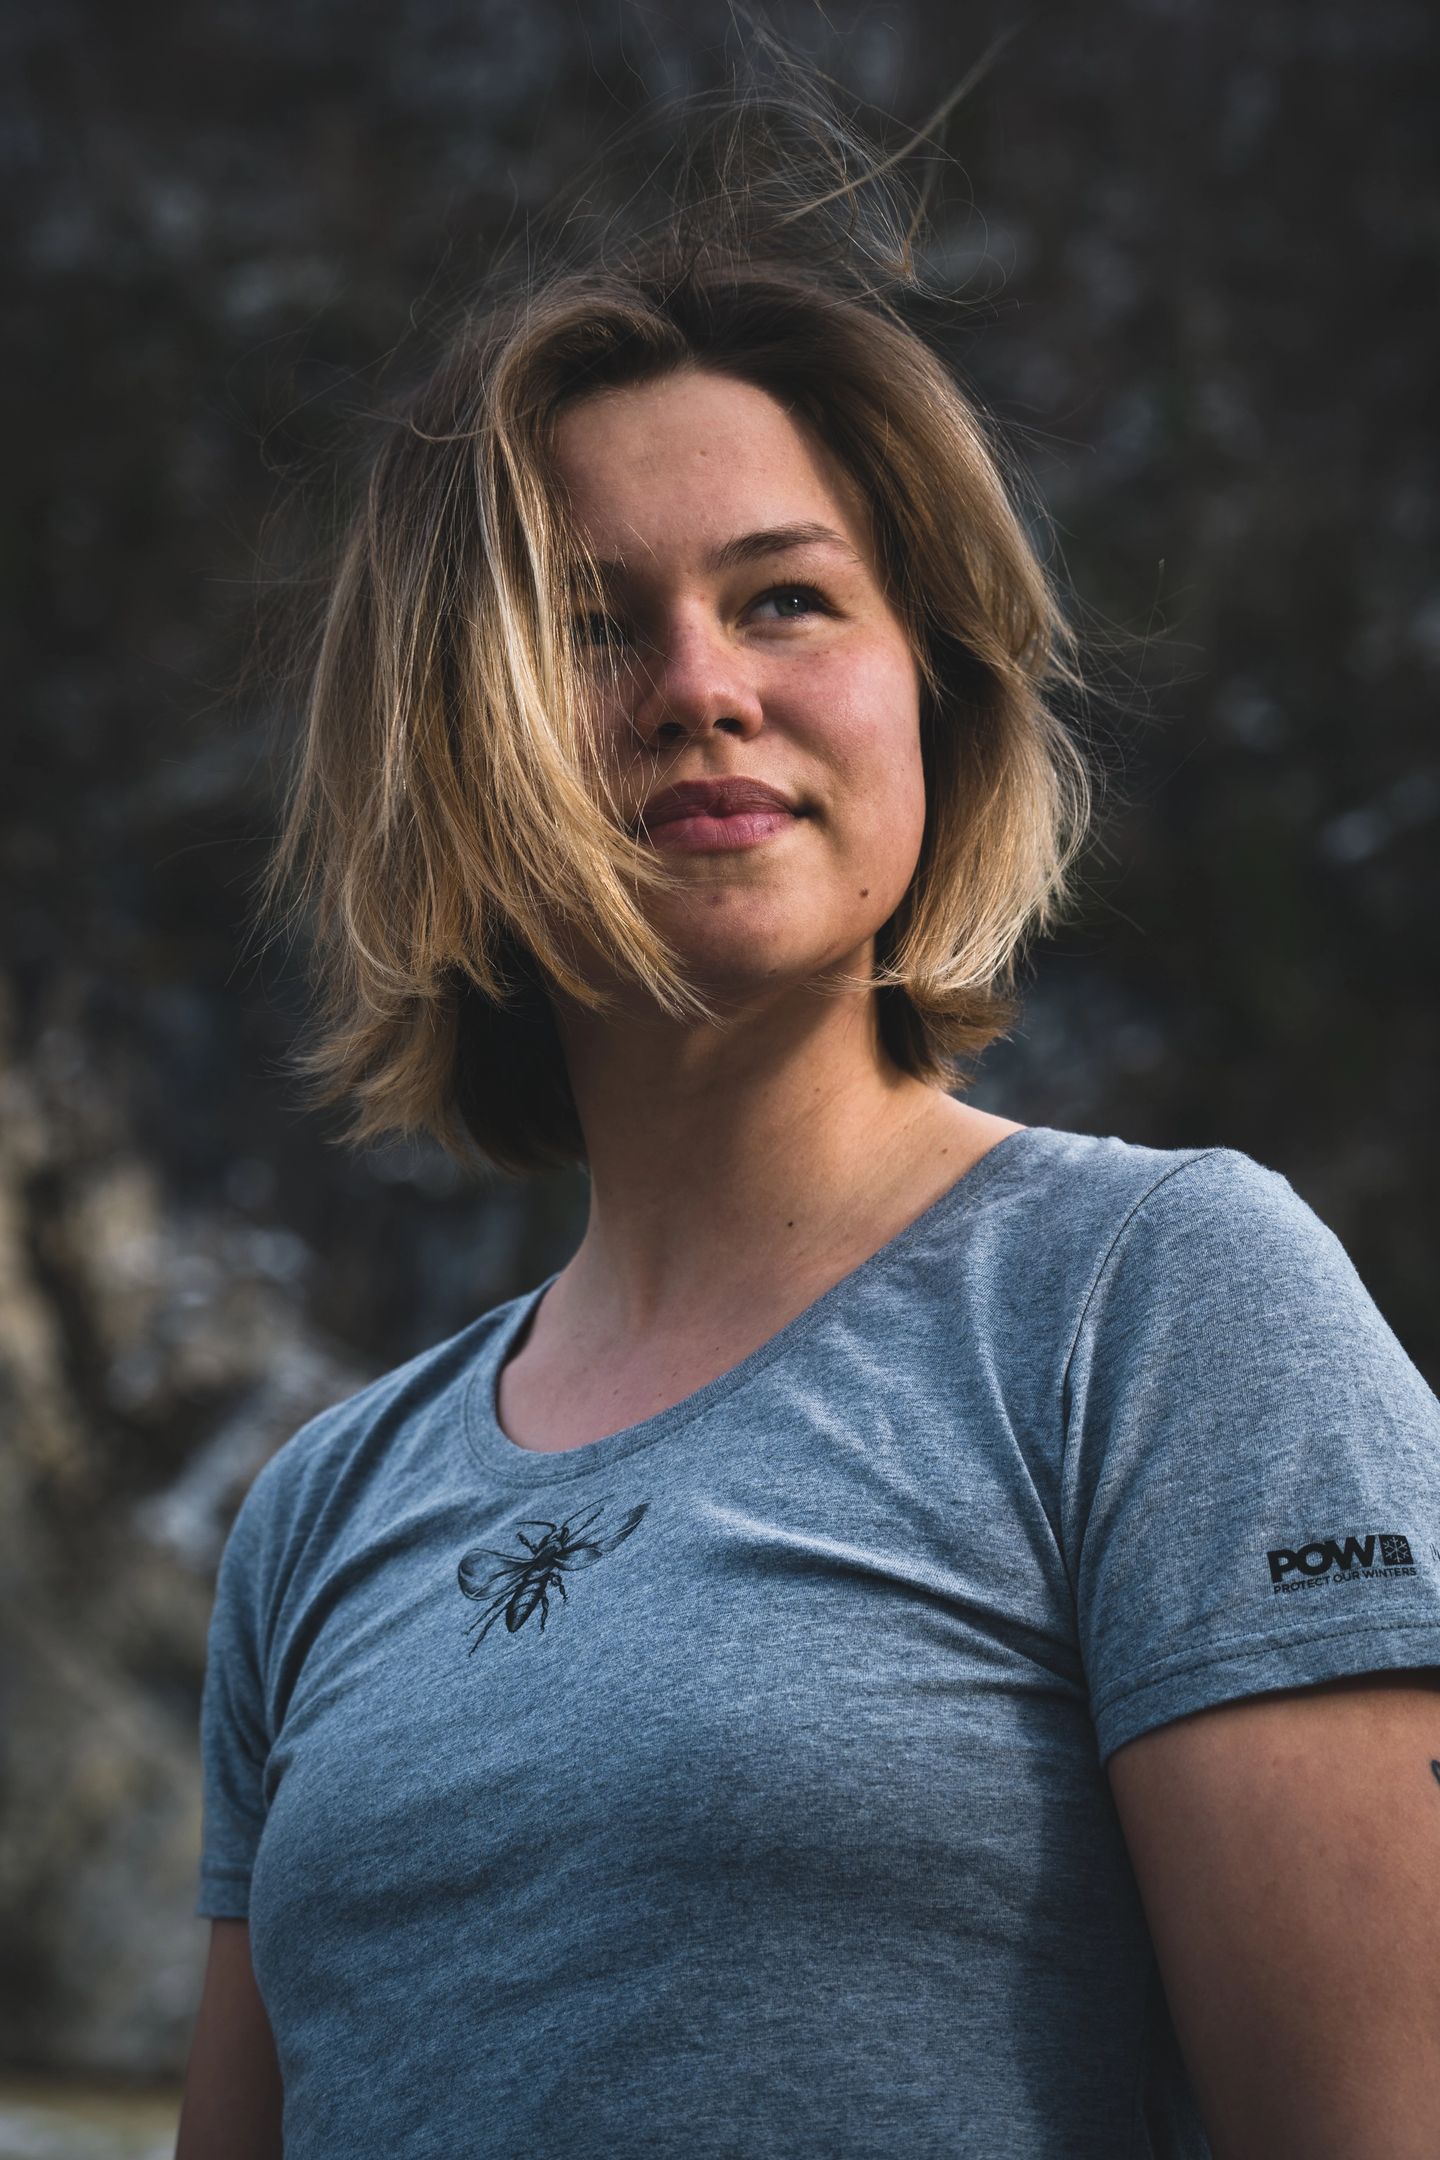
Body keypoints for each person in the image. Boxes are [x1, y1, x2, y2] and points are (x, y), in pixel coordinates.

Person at [176, 63, 1440, 2160]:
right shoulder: (319, 1514)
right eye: (594, 626)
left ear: (929, 687)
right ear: (455, 742)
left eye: (786, 596)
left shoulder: (1156, 1309)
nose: (701, 685)